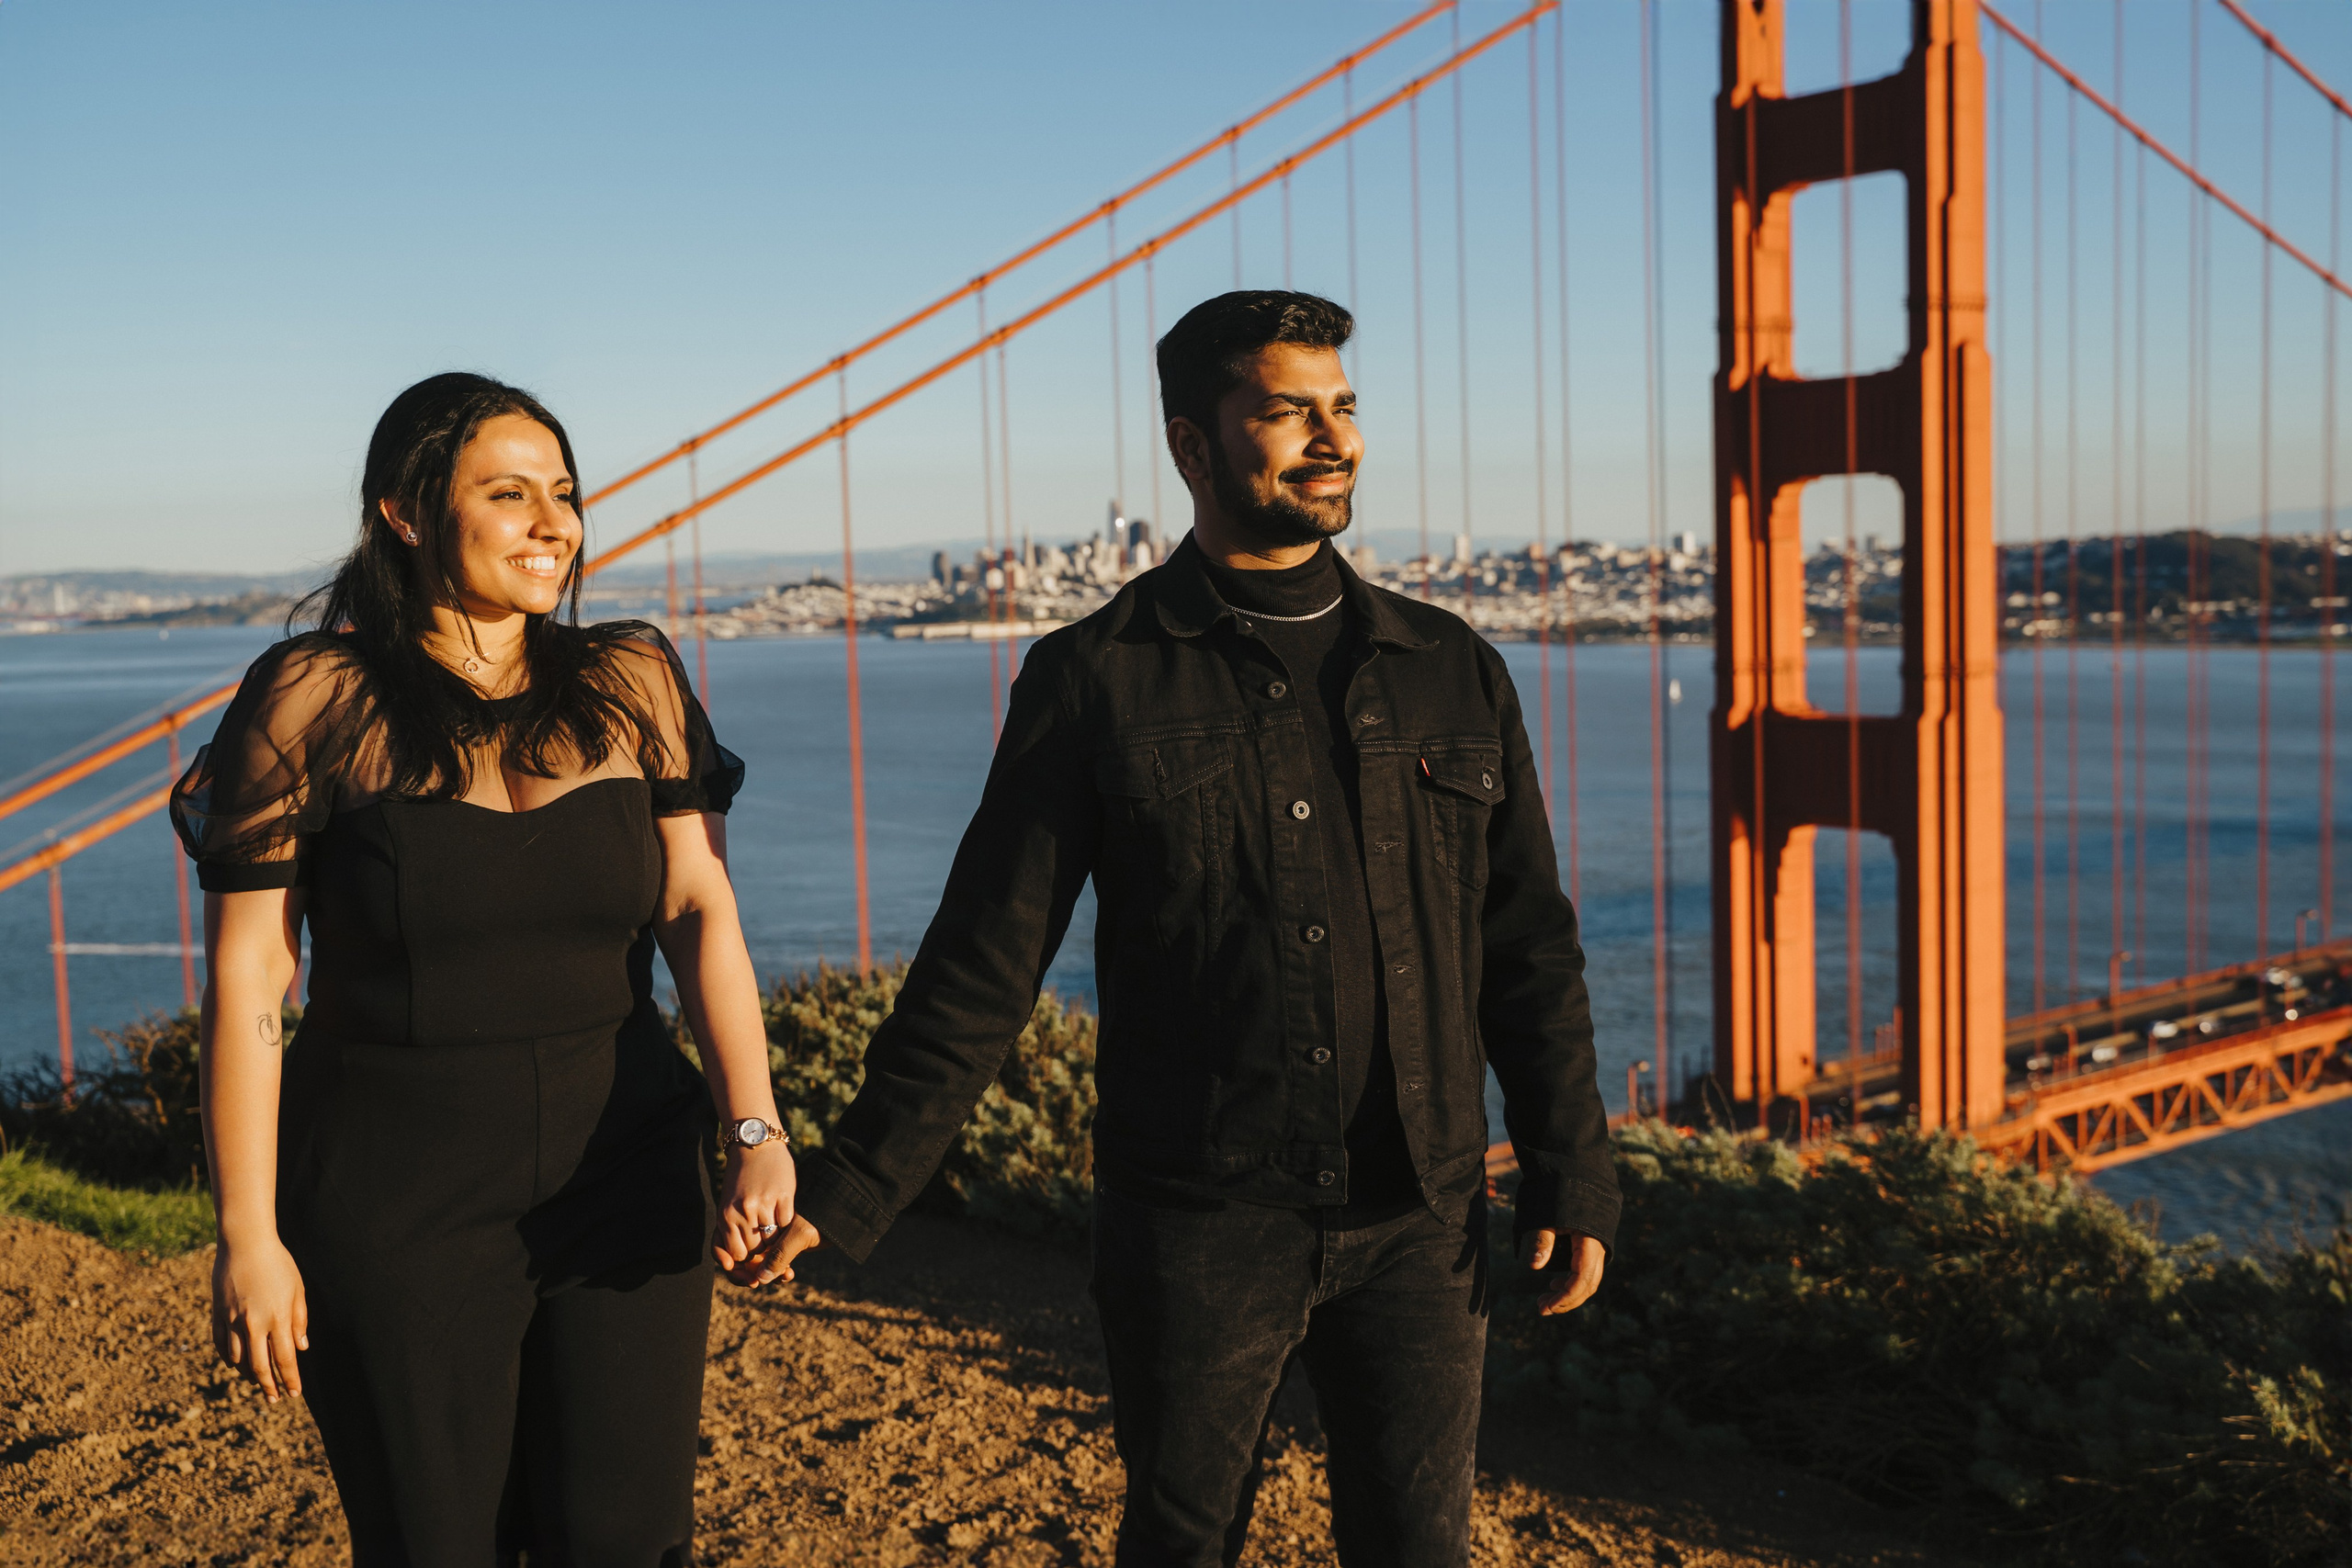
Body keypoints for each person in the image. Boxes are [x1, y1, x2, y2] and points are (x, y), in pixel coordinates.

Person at [756, 291, 1620, 1566]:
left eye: (1345, 408)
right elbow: (987, 962)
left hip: (1424, 1218)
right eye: (1286, 411)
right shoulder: (1094, 675)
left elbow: (1525, 946)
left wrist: (1571, 1166)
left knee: (1418, 1549)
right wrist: (854, 1182)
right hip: (1202, 1222)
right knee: (1181, 1545)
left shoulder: (1451, 666)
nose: (1334, 440)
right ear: (1192, 448)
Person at [176, 372, 794, 1567]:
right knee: (433, 1546)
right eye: (509, 495)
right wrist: (247, 1236)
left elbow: (699, 907)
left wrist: (756, 1132)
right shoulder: (312, 701)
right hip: (393, 1195)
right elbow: (251, 983)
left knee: (625, 1542)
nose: (555, 523)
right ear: (405, 514)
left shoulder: (634, 680)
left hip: (625, 1167)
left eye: (563, 492)